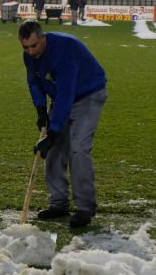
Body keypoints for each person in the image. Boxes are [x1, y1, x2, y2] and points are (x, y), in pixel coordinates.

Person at [18, 20, 107, 228]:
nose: (30, 52)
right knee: (54, 151)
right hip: (61, 98)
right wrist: (40, 109)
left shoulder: (65, 49)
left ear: (43, 38)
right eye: (25, 47)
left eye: (34, 46)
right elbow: (34, 81)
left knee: (78, 149)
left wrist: (54, 131)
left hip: (88, 95)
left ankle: (85, 208)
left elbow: (67, 93)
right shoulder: (29, 56)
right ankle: (58, 203)